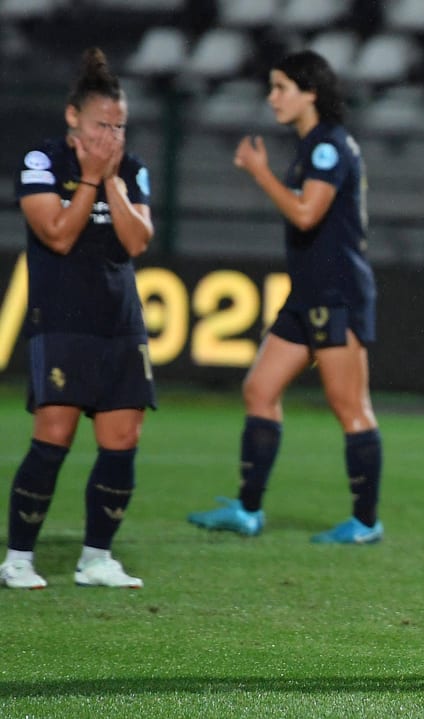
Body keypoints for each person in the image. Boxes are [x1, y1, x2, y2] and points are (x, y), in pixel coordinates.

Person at [187, 50, 384, 545]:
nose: (272, 97)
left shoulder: (327, 147)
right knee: (259, 390)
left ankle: (365, 522)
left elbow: (305, 214)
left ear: (310, 92)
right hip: (308, 294)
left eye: (281, 87)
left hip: (336, 294)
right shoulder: (313, 145)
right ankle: (248, 510)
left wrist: (259, 172)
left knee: (349, 407)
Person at [0, 48, 154, 590]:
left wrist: (110, 180)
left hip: (121, 322)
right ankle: (18, 558)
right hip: (62, 317)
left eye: (119, 125)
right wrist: (89, 178)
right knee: (54, 436)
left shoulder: (132, 171)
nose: (110, 135)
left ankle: (97, 558)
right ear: (73, 118)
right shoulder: (42, 162)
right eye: (100, 124)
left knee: (122, 438)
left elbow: (136, 240)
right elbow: (59, 235)